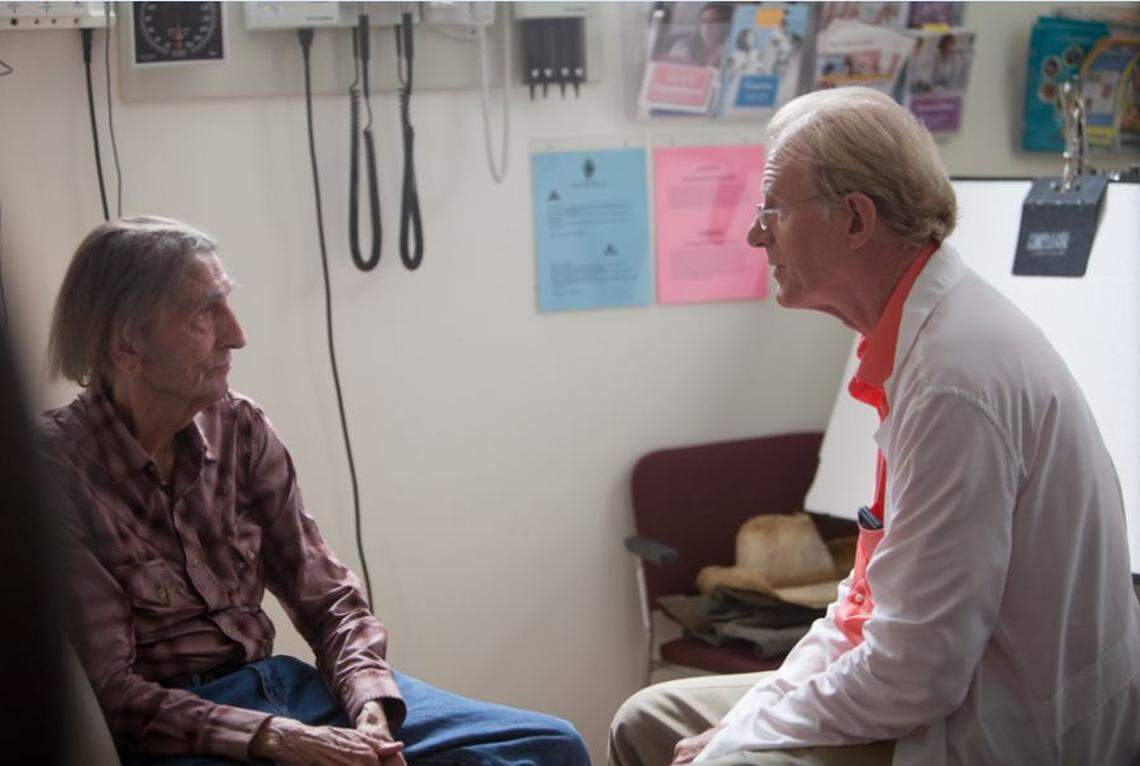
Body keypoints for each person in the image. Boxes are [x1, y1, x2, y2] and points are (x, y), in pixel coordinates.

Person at [609, 87, 1140, 766]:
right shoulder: (917, 340)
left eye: (774, 209)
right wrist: (762, 712)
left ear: (856, 219)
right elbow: (866, 604)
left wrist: (745, 735)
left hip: (1002, 726)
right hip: (935, 685)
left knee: (724, 759)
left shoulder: (954, 379)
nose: (755, 234)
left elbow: (917, 673)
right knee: (647, 720)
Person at [37, 217, 591, 766]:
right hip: (184, 732)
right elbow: (113, 694)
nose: (237, 334)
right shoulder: (56, 468)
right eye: (206, 311)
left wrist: (368, 704)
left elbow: (328, 601)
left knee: (549, 746)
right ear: (127, 344)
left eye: (226, 303)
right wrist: (277, 738)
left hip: (285, 689)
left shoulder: (240, 428)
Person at [661, 3, 733, 68]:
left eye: (714, 22)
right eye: (703, 21)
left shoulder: (729, 53)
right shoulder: (682, 48)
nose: (707, 27)